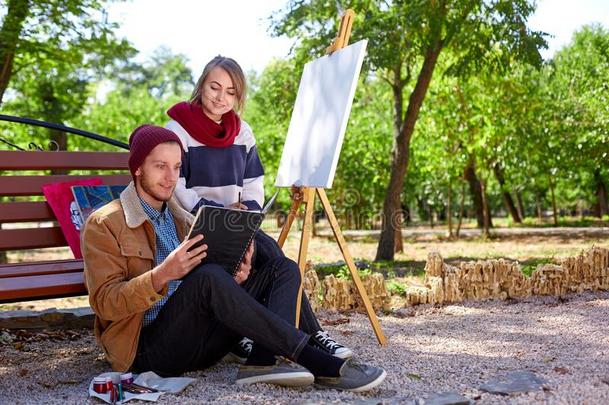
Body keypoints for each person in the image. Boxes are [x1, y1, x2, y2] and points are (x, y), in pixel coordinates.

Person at [82, 125, 386, 391]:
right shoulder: (105, 223)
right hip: (149, 350)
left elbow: (204, 289)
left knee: (282, 267)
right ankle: (317, 361)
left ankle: (263, 360)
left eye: (176, 167)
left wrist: (237, 280)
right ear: (137, 168)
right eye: (160, 166)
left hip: (202, 343)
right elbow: (105, 303)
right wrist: (163, 274)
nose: (170, 177)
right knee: (209, 279)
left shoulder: (183, 220)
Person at [165, 55, 351, 360]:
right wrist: (219, 212)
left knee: (270, 255)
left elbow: (253, 182)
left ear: (239, 96)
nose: (221, 97)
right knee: (269, 252)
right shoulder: (177, 130)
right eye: (214, 87)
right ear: (201, 85)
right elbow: (176, 186)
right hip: (192, 224)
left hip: (235, 223)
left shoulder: (242, 132)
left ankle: (298, 334)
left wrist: (247, 211)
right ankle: (307, 334)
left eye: (231, 92)